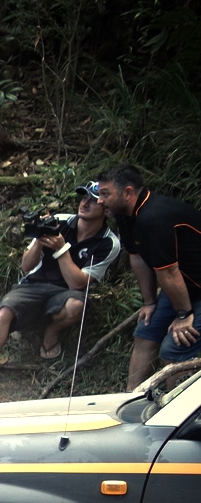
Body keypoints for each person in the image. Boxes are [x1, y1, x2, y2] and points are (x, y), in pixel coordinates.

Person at [0, 181, 121, 398]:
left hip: (67, 289)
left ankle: (51, 331)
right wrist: (38, 240)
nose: (85, 203)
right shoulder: (60, 222)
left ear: (106, 208)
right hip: (36, 283)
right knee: (4, 310)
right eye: (83, 198)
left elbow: (78, 283)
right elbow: (25, 266)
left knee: (76, 306)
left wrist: (61, 249)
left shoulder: (108, 243)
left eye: (93, 201)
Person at [95, 164, 201, 389]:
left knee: (175, 349)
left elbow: (169, 272)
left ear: (128, 192)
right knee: (146, 331)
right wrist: (149, 301)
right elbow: (137, 257)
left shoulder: (153, 219)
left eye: (105, 194)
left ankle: (177, 416)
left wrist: (184, 315)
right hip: (185, 286)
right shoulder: (126, 214)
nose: (99, 201)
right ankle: (130, 400)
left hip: (189, 287)